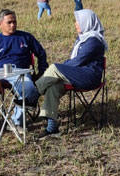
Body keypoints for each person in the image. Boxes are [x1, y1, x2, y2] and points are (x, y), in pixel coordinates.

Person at [35, 9, 108, 138]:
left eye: (78, 21)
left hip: (89, 77)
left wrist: (61, 68)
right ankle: (52, 127)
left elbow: (78, 61)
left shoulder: (94, 41)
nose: (75, 24)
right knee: (53, 87)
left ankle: (32, 96)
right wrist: (63, 67)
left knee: (54, 68)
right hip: (79, 74)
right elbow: (75, 62)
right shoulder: (83, 38)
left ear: (87, 22)